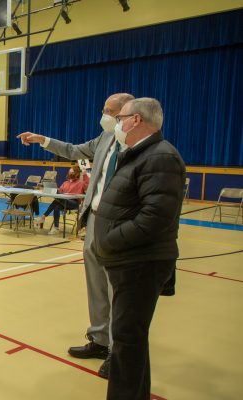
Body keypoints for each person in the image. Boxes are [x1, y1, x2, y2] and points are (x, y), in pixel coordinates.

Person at [16, 93, 135, 376]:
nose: (103, 115)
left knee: (115, 287)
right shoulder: (104, 138)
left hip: (119, 222)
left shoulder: (137, 145)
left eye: (109, 111)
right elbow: (73, 150)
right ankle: (99, 339)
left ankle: (119, 352)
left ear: (127, 114)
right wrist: (41, 139)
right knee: (95, 283)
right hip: (94, 218)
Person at [90, 98, 184, 399]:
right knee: (131, 340)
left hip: (140, 263)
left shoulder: (160, 157)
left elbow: (155, 217)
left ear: (137, 120)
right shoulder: (139, 154)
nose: (117, 122)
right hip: (129, 261)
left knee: (128, 340)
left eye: (121, 117)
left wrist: (110, 240)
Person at [35, 165, 89, 235]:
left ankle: (43, 217)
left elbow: (87, 185)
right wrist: (52, 190)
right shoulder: (65, 183)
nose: (70, 173)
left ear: (77, 174)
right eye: (70, 172)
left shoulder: (80, 183)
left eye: (72, 172)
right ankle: (56, 228)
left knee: (58, 200)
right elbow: (59, 191)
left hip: (74, 203)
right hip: (63, 201)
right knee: (57, 206)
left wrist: (85, 175)